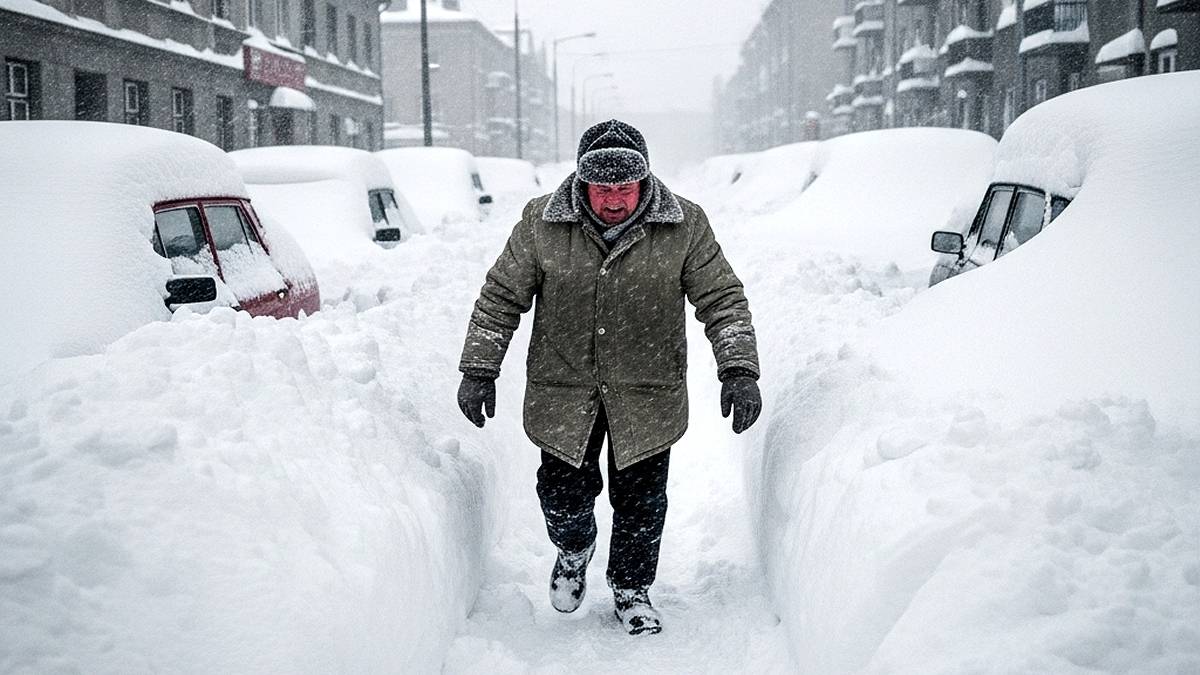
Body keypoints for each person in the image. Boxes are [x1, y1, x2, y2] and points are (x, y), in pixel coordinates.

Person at [456, 119, 761, 636]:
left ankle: (631, 588)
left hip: (646, 392)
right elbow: (501, 296)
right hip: (563, 390)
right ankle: (574, 550)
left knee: (642, 501)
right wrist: (480, 368)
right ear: (583, 183)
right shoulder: (541, 222)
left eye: (625, 188)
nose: (615, 201)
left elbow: (722, 299)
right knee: (561, 495)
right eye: (603, 189)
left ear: (644, 181)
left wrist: (738, 368)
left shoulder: (684, 224)